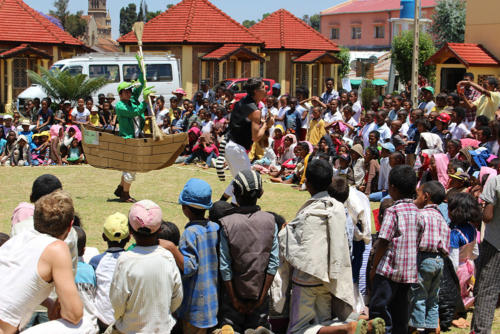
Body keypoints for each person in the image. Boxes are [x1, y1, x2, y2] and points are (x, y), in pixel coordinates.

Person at [280, 159, 365, 333]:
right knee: (323, 322)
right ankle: (345, 326)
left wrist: (285, 231)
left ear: (308, 183)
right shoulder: (339, 209)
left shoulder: (308, 212)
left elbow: (293, 247)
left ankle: (345, 328)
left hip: (307, 277)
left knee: (298, 329)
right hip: (331, 277)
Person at [0, 191, 84, 334]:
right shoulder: (57, 248)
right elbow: (74, 315)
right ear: (70, 226)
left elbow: (15, 286)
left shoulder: (17, 239)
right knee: (84, 324)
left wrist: (49, 303)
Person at [214, 170, 278, 332]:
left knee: (229, 329)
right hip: (259, 295)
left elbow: (225, 266)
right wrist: (261, 298)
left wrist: (234, 300)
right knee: (258, 329)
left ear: (235, 192)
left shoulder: (227, 223)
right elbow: (272, 264)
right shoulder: (271, 221)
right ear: (261, 193)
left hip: (232, 295)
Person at [110, 200, 183, 333]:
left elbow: (117, 301)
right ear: (160, 229)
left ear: (130, 230)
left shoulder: (125, 260)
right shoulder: (167, 258)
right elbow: (177, 297)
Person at [369, 165, 424, 334]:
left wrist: (374, 267)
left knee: (380, 310)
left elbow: (383, 241)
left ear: (392, 187)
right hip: (408, 272)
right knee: (400, 312)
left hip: (388, 271)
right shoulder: (418, 212)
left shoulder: (393, 211)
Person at [409, 181, 450, 333]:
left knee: (418, 296)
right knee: (433, 297)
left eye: (418, 195)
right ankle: (432, 329)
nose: (415, 198)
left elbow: (415, 238)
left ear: (426, 197)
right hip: (439, 260)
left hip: (423, 258)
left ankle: (416, 328)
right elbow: (446, 240)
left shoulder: (421, 215)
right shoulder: (441, 218)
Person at [112, 55, 154, 203]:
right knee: (131, 168)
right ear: (121, 93)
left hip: (134, 138)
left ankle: (121, 189)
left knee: (128, 167)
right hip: (127, 139)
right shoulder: (119, 105)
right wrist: (145, 102)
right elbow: (134, 113)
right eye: (126, 91)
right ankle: (125, 194)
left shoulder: (132, 99)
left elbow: (141, 83)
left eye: (130, 91)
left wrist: (141, 67)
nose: (129, 93)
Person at [224, 78, 273, 201]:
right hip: (237, 149)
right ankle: (232, 212)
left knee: (238, 180)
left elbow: (243, 122)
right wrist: (267, 125)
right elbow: (256, 137)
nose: (265, 89)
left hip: (231, 147)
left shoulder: (243, 102)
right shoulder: (255, 110)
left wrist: (261, 122)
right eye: (262, 87)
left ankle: (219, 206)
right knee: (245, 184)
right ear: (256, 91)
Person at [89, 212, 130, 332]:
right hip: (126, 321)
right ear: (129, 237)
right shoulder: (132, 260)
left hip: (102, 321)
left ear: (103, 236)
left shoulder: (96, 261)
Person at [473, 173, 500, 332]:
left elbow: (488, 216)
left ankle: (480, 330)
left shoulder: (495, 181)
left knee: (487, 291)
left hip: (495, 243)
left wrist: (481, 210)